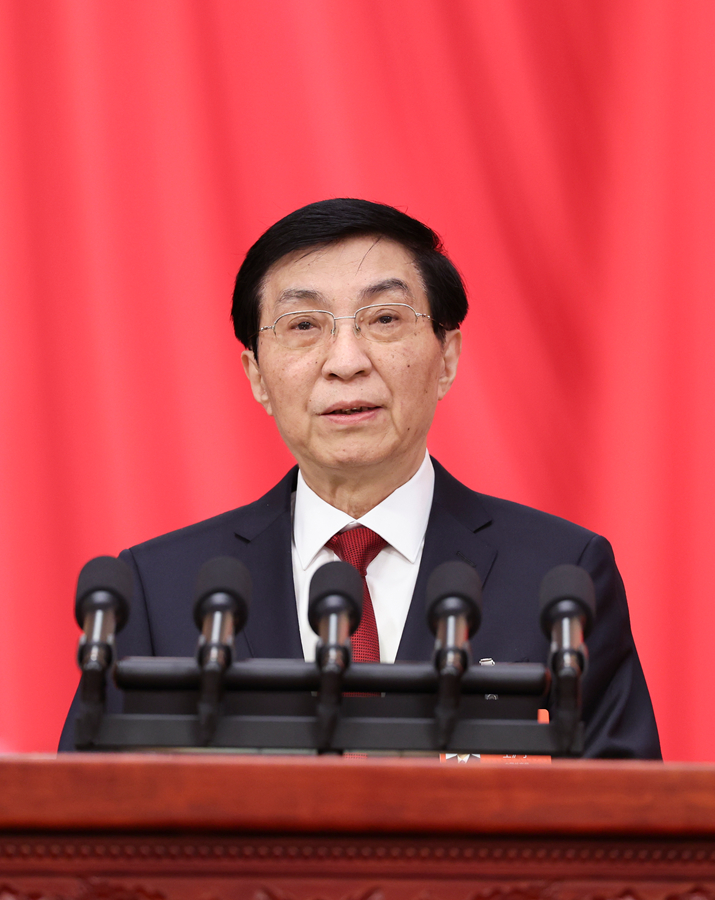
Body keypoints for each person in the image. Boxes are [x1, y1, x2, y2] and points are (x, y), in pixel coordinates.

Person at [59, 198, 661, 757]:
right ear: (257, 376)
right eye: (303, 325)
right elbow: (84, 817)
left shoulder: (560, 578)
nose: (346, 362)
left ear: (447, 358)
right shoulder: (159, 591)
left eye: (384, 318)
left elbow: (624, 818)